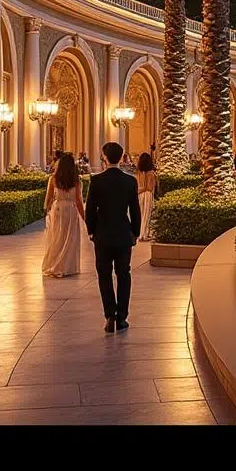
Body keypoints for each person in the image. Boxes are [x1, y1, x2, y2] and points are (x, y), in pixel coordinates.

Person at [85, 142, 141, 333]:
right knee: (124, 275)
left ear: (104, 157)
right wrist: (135, 232)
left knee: (104, 275)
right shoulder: (130, 181)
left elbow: (90, 209)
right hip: (123, 234)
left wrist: (91, 230)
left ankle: (110, 315)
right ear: (121, 157)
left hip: (102, 235)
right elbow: (135, 210)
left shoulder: (97, 181)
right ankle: (122, 317)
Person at [42, 152, 86, 277]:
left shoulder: (53, 179)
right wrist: (84, 217)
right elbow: (78, 200)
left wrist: (47, 211)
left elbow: (49, 198)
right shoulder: (76, 180)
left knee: (57, 237)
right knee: (70, 238)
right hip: (71, 209)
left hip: (58, 208)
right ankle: (67, 266)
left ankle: (55, 263)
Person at [135, 151, 158, 242]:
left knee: (140, 214)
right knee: (147, 215)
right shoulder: (151, 173)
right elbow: (150, 187)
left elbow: (139, 185)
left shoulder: (138, 173)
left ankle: (140, 234)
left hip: (140, 194)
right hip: (148, 194)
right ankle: (144, 234)